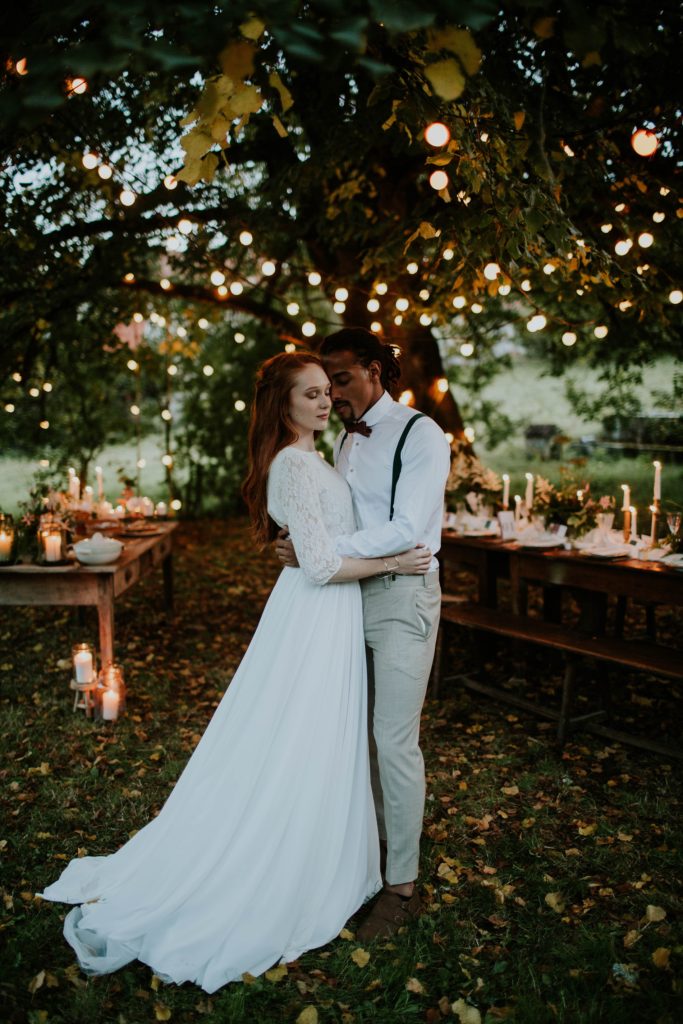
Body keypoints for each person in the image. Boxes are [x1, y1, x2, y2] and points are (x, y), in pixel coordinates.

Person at [40, 351, 433, 994]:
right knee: (299, 734)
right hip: (316, 613)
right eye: (308, 394)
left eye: (324, 391)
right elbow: (322, 565)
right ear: (282, 406)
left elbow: (317, 547)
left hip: (326, 614)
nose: (323, 400)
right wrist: (395, 564)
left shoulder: (319, 456)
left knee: (317, 735)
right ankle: (285, 853)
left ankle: (326, 842)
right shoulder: (294, 465)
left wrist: (320, 551)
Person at [276, 328, 451, 940]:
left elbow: (408, 526)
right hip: (345, 597)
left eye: (341, 380)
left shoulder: (421, 435)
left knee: (393, 739)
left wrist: (318, 550)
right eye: (323, 385)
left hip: (403, 595)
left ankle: (401, 884)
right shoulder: (343, 442)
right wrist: (302, 539)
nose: (333, 395)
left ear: (376, 370)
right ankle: (360, 855)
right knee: (351, 731)